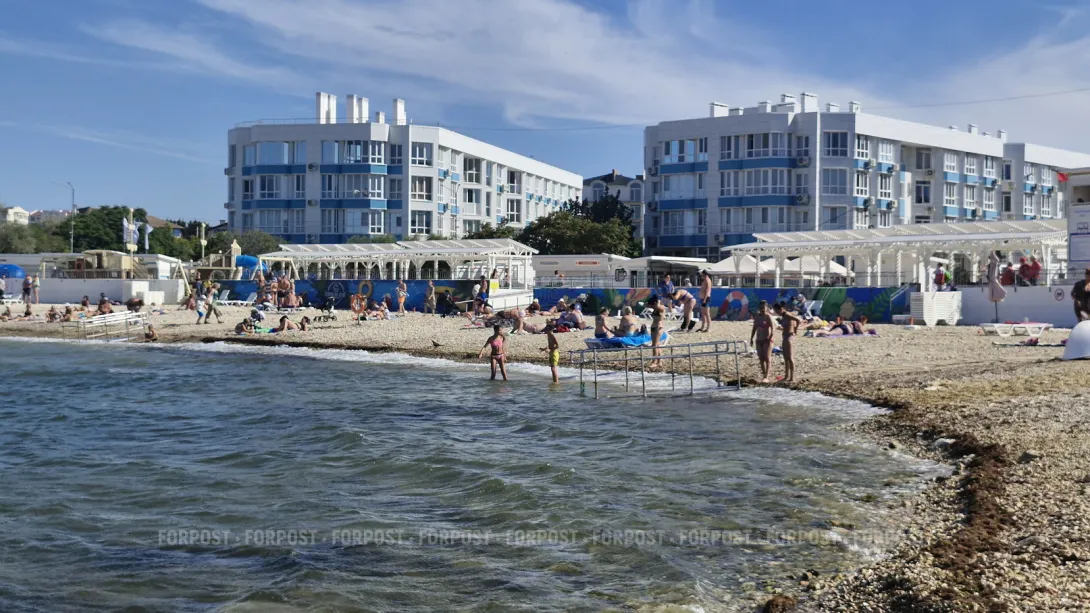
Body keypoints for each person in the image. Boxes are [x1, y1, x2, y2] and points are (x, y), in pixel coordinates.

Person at [773, 302, 802, 383]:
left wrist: (795, 330)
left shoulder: (787, 314)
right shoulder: (784, 316)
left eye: (777, 311)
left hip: (789, 337)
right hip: (785, 337)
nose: (777, 313)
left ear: (781, 309)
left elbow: (798, 320)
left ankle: (792, 377)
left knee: (790, 357)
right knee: (785, 357)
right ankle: (786, 376)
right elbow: (788, 325)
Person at [749, 300, 776, 383]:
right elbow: (754, 328)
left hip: (767, 340)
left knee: (767, 358)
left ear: (766, 308)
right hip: (758, 340)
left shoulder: (768, 317)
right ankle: (764, 374)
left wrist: (770, 337)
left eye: (763, 307)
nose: (762, 309)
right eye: (760, 308)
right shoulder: (757, 317)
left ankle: (767, 376)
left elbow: (773, 328)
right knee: (761, 358)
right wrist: (751, 338)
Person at [648, 294, 665, 370]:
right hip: (653, 326)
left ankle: (654, 362)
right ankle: (659, 361)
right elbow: (647, 305)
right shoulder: (655, 308)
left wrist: (658, 300)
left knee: (654, 345)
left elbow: (658, 306)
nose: (652, 307)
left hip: (658, 327)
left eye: (653, 305)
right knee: (657, 344)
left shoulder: (661, 307)